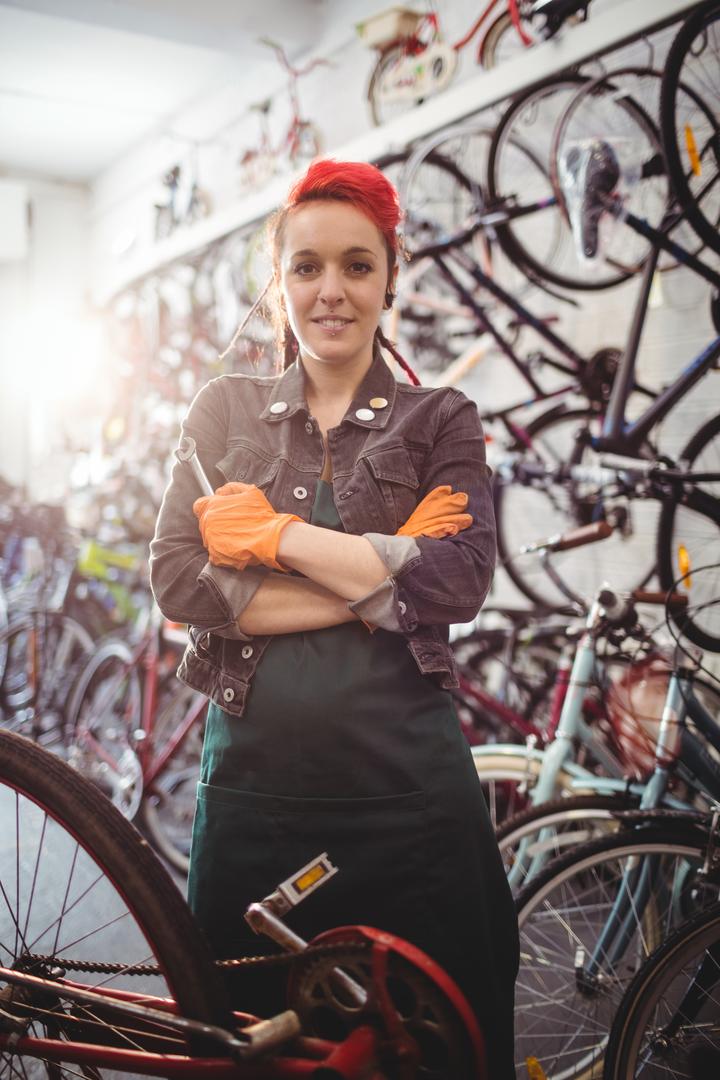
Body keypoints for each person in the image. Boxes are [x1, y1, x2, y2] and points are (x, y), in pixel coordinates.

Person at [150, 158, 518, 1078]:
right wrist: (379, 581)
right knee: (251, 1038)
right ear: (280, 281)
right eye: (307, 266)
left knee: (431, 1041)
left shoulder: (442, 419)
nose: (332, 291)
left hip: (413, 800)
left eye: (358, 266)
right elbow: (177, 580)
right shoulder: (224, 410)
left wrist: (271, 535)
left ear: (391, 277)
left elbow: (460, 583)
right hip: (253, 798)